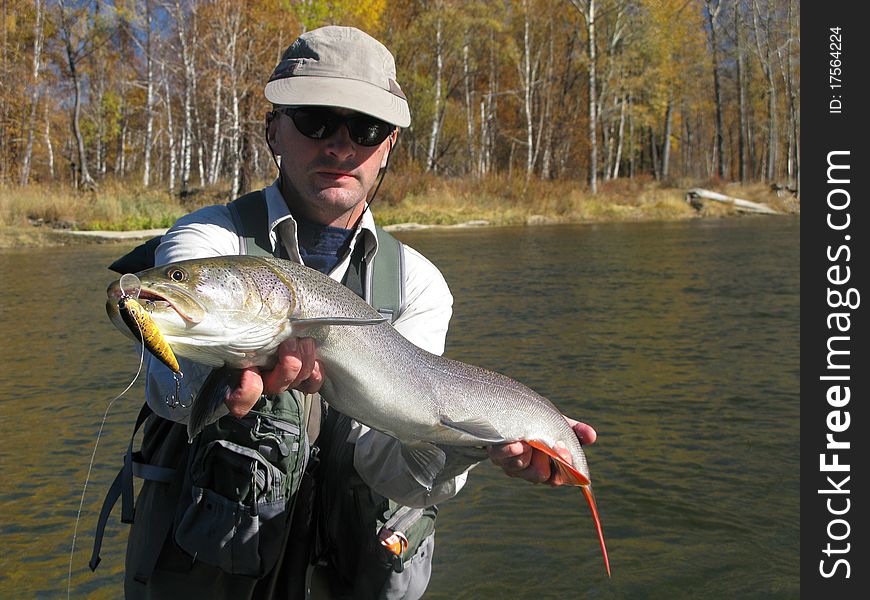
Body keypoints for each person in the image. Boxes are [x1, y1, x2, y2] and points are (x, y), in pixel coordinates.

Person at [119, 25, 596, 600]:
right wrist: (223, 386)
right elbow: (167, 388)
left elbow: (387, 467)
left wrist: (479, 446)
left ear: (389, 145)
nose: (341, 145)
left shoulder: (419, 283)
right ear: (274, 130)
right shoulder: (205, 241)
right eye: (316, 119)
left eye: (366, 127)